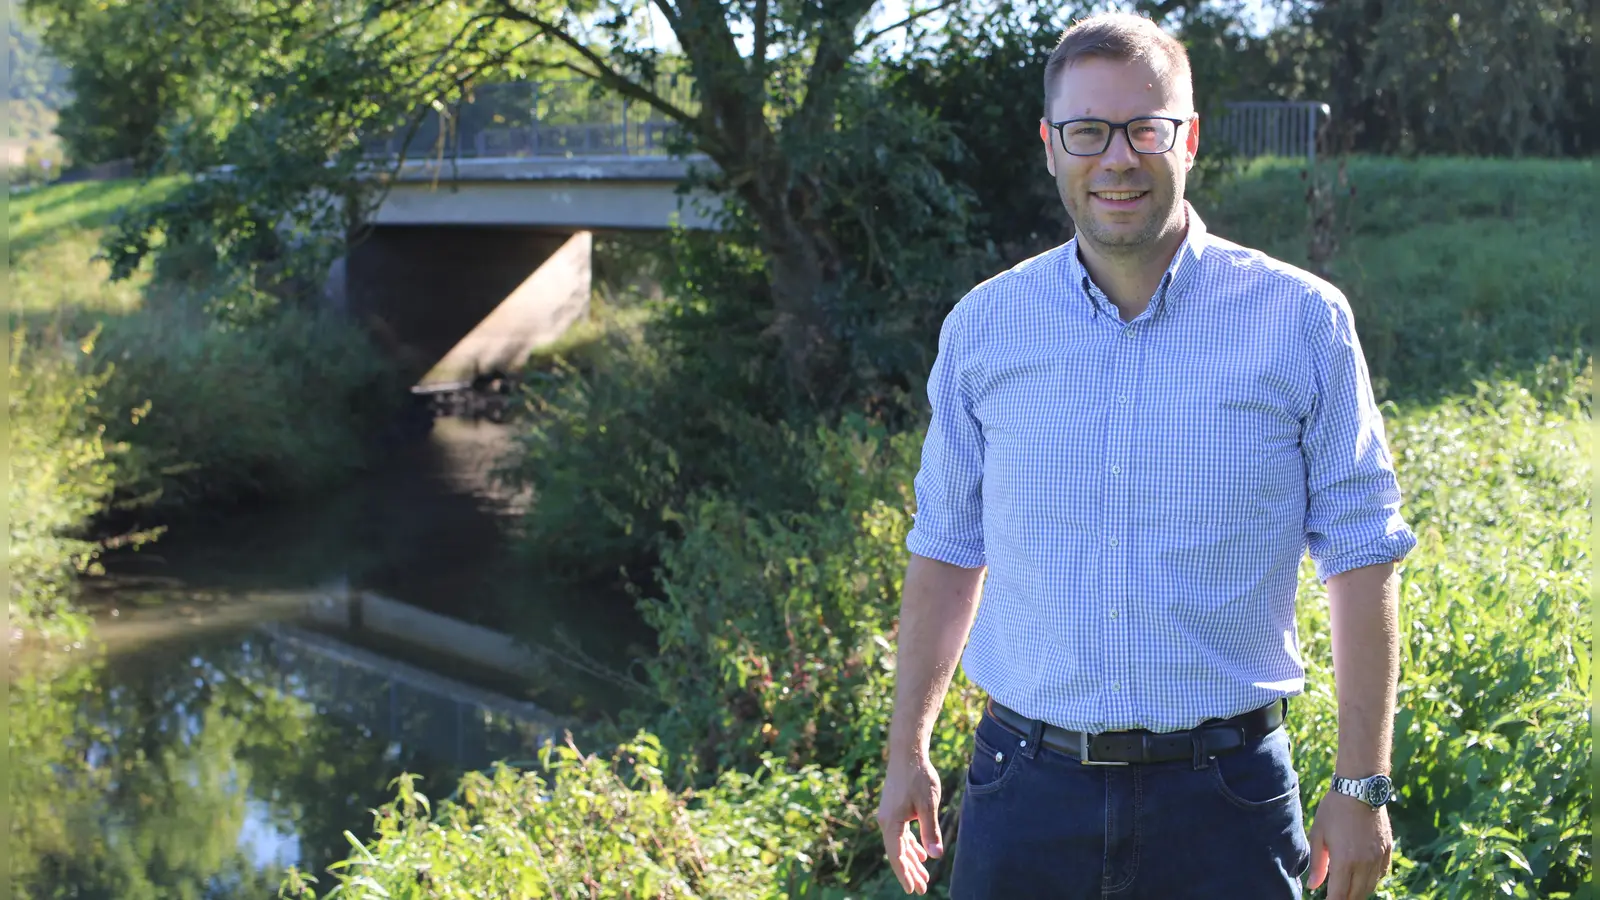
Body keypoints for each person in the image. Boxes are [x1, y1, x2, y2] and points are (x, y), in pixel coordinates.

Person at [875, 11, 1416, 900]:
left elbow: (1364, 558)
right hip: (1025, 794)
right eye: (1088, 131)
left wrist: (1361, 786)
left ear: (1189, 138)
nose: (1117, 157)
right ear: (1051, 146)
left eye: (1145, 128)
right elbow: (946, 547)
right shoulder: (984, 328)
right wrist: (907, 752)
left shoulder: (1301, 322)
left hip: (1228, 803)